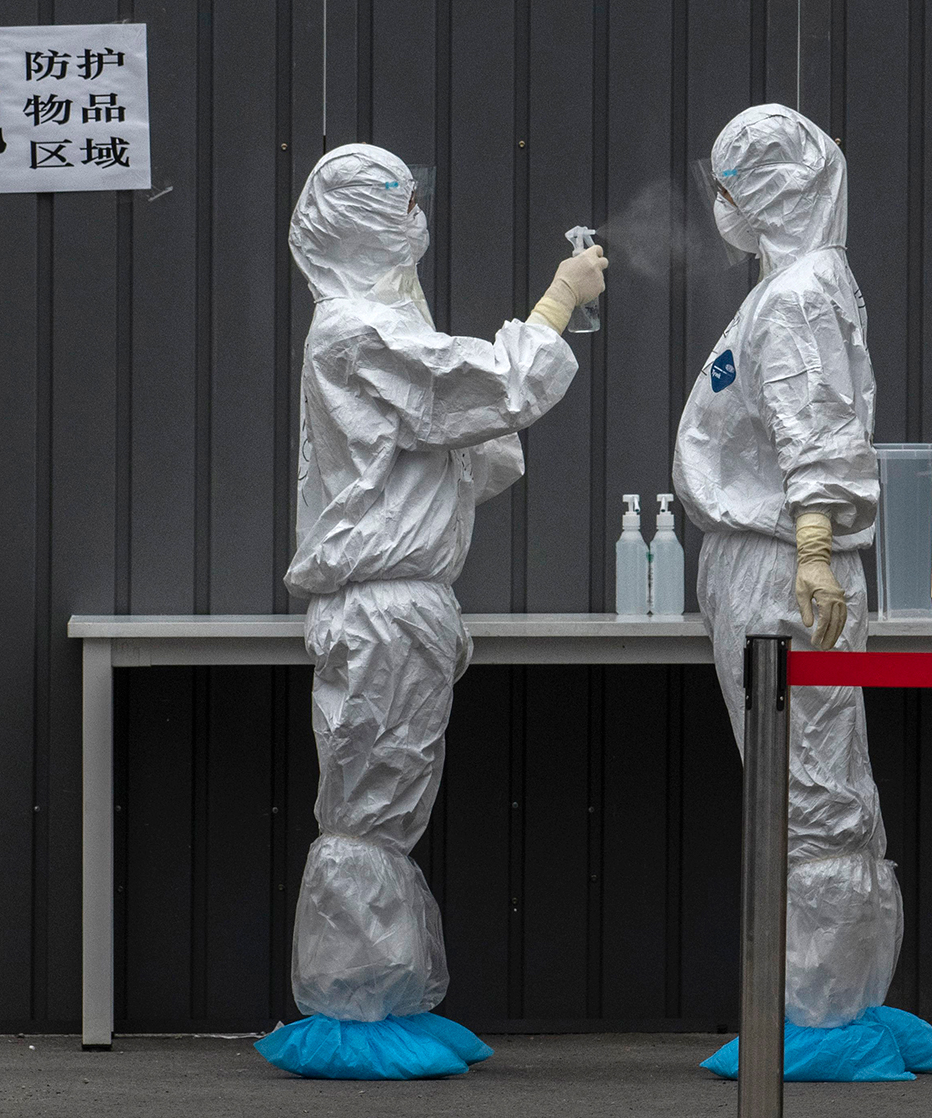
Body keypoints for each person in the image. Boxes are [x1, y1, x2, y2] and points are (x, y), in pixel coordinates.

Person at [255, 143, 606, 1080]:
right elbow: (491, 387)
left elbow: (467, 444)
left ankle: (384, 996)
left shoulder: (367, 329)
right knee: (370, 810)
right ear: (371, 224)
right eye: (401, 205)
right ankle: (349, 1014)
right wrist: (559, 302)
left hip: (400, 607)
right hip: (380, 610)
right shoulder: (356, 331)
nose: (417, 220)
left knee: (389, 805)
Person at [674, 105, 932, 1082]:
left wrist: (815, 542)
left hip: (781, 566)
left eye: (727, 184)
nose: (719, 205)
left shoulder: (795, 294)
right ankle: (838, 992)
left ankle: (823, 1011)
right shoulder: (784, 291)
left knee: (808, 785)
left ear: (760, 189)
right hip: (774, 558)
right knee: (818, 776)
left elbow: (814, 425)